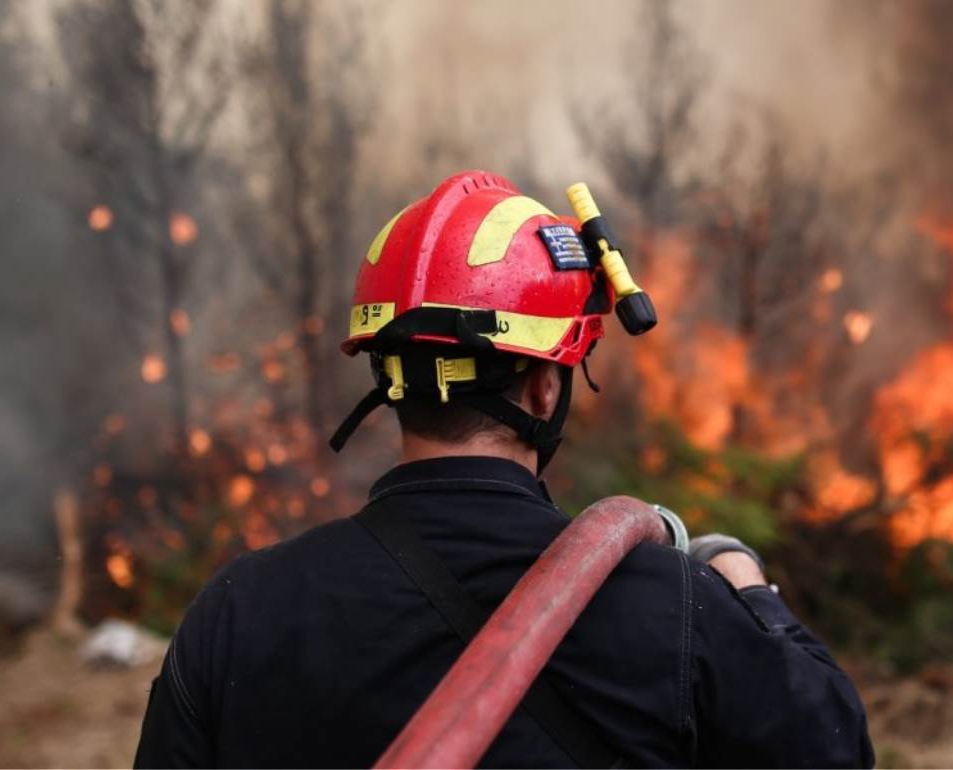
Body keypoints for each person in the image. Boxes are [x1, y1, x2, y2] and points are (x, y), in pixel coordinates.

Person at [133, 171, 873, 768]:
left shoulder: (239, 612)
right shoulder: (676, 610)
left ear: (388, 377)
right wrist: (749, 589)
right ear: (546, 387)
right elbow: (836, 750)